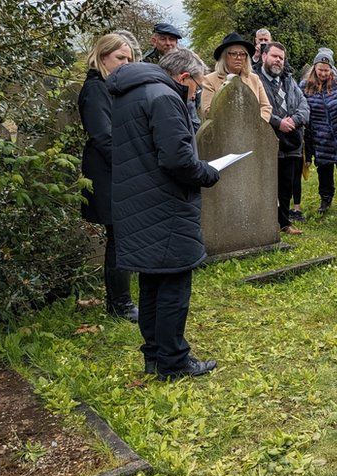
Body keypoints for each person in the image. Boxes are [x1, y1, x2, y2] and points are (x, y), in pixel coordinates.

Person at [106, 49, 220, 380]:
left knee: (152, 282)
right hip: (165, 203)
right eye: (197, 83)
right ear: (184, 78)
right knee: (174, 282)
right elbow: (177, 160)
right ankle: (174, 361)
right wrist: (208, 172)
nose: (197, 90)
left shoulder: (132, 94)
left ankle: (155, 355)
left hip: (138, 202)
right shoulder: (165, 97)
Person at [79, 33, 137, 322]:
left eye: (129, 58)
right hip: (107, 172)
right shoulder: (95, 89)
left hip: (119, 169)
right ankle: (120, 305)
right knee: (119, 236)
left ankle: (120, 301)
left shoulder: (115, 87)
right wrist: (129, 167)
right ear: (103, 57)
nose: (126, 63)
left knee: (122, 235)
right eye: (120, 58)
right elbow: (103, 136)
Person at [258, 41, 310, 233]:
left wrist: (294, 121)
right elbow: (255, 108)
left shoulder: (289, 80)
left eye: (281, 58)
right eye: (274, 56)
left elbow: (304, 106)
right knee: (267, 185)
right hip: (268, 140)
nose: (278, 61)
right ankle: (266, 222)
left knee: (287, 184)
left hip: (292, 141)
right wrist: (278, 122)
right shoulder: (255, 80)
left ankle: (285, 223)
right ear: (264, 57)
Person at [303, 47, 337, 214]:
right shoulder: (305, 87)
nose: (323, 73)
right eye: (320, 70)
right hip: (320, 138)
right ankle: (325, 200)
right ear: (314, 68)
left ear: (332, 69)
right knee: (324, 173)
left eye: (327, 70)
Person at [200, 32, 272, 123]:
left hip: (253, 133)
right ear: (224, 56)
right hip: (224, 132)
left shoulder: (254, 79)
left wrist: (256, 124)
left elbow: (266, 107)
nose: (239, 58)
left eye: (243, 54)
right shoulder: (210, 80)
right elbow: (207, 111)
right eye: (234, 54)